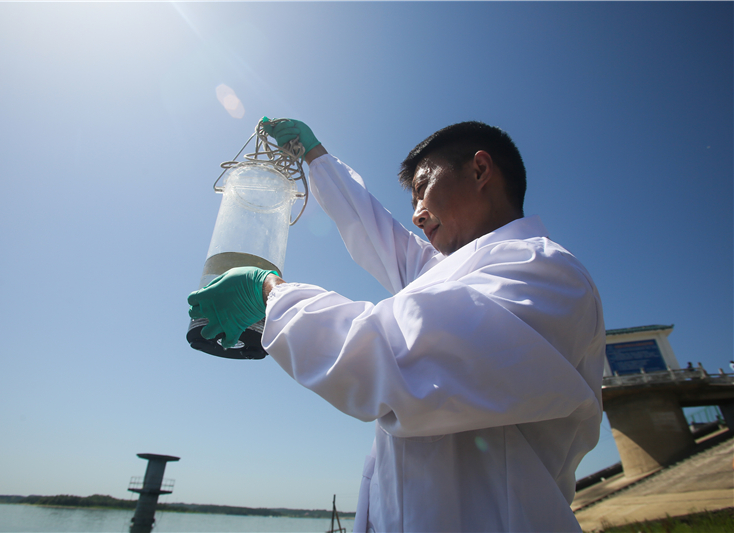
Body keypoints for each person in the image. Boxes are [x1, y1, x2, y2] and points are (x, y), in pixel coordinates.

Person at [188, 119, 605, 532]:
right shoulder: (443, 274)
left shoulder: (544, 272)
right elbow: (372, 228)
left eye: (423, 189)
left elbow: (396, 356)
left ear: (480, 170)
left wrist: (271, 294)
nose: (417, 216)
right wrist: (315, 156)